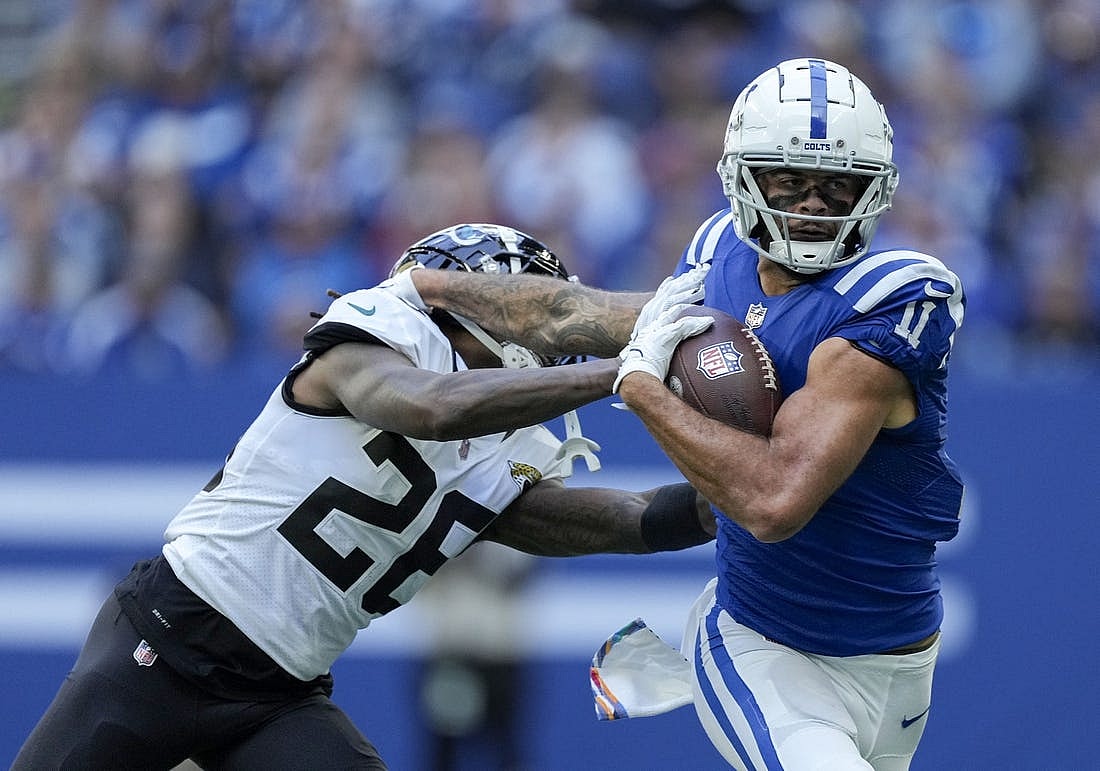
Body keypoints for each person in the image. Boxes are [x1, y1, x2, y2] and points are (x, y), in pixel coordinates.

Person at [404, 59, 966, 770]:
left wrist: (644, 391)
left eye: (838, 185)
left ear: (876, 189)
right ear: (744, 179)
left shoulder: (893, 297)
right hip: (765, 645)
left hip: (903, 658)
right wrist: (420, 287)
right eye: (790, 181)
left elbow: (773, 496)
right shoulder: (716, 256)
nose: (815, 205)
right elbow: (577, 311)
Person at [13, 223, 716, 770]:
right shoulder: (372, 335)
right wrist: (619, 374)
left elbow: (633, 520)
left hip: (277, 691)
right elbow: (432, 406)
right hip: (167, 639)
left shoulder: (502, 455)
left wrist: (741, 491)